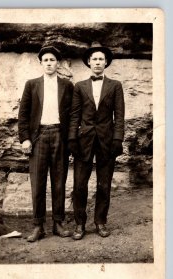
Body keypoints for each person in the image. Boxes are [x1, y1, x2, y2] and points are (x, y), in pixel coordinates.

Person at [68, 41, 125, 240]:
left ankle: (100, 222)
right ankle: (79, 224)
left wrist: (118, 139)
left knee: (104, 184)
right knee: (79, 185)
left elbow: (119, 115)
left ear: (106, 62)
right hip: (84, 141)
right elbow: (74, 116)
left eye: (101, 59)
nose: (98, 62)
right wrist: (72, 139)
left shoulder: (115, 86)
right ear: (89, 62)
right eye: (94, 59)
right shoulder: (79, 86)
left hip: (107, 141)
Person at [18, 45, 73, 242]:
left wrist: (71, 140)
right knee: (38, 183)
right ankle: (38, 226)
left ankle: (58, 223)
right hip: (39, 136)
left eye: (52, 60)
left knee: (59, 182)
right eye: (46, 60)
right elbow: (23, 115)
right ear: (41, 63)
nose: (49, 63)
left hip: (60, 134)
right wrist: (25, 138)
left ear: (58, 63)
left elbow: (73, 115)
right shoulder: (31, 84)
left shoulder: (67, 85)